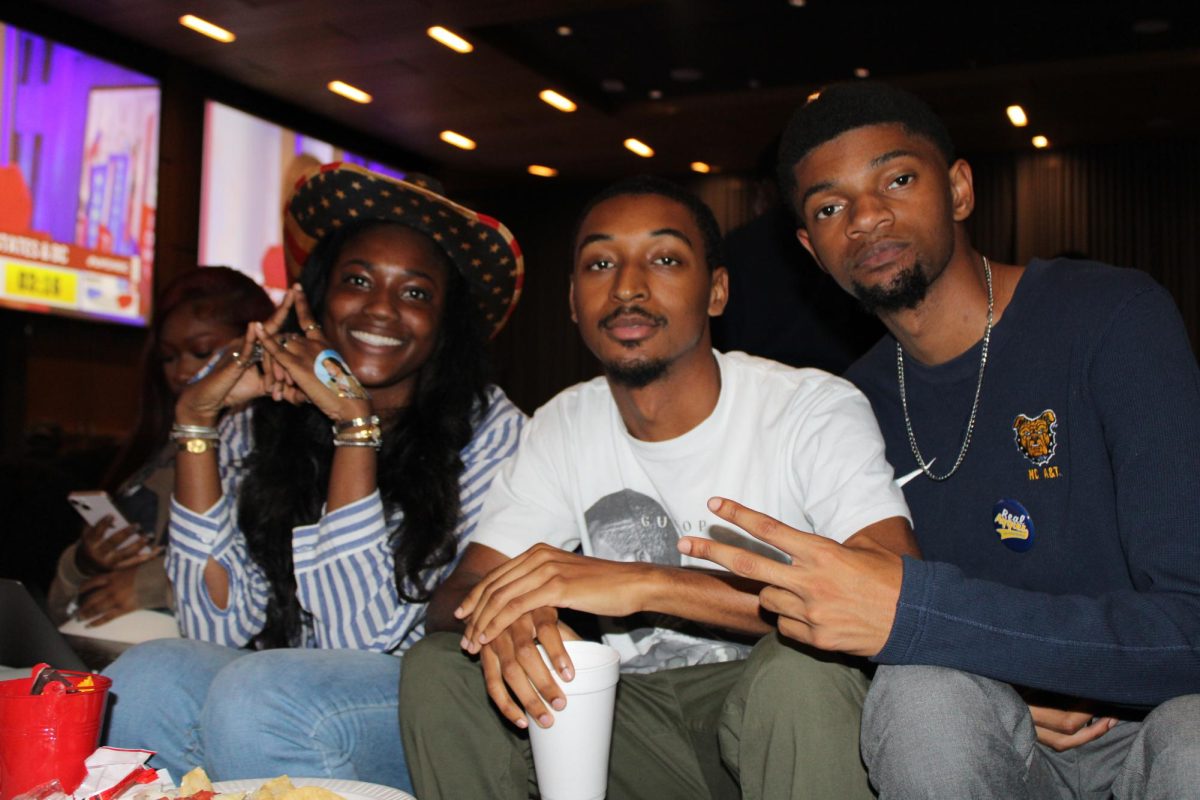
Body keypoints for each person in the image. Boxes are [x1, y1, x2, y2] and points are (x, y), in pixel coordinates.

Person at [681, 82, 1200, 798]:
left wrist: (1027, 657)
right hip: (1000, 737)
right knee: (921, 694)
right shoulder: (845, 405)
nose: (865, 218)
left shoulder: (1111, 318)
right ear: (811, 248)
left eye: (896, 179)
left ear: (958, 189)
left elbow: (1192, 622)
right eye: (830, 207)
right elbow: (861, 619)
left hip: (1155, 723)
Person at [399, 176, 916, 799]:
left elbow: (897, 591)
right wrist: (511, 616)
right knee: (442, 666)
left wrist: (650, 582)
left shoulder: (810, 408)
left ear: (717, 291)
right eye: (600, 263)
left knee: (801, 669)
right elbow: (456, 594)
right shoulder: (563, 423)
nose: (627, 287)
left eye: (665, 259)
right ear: (571, 300)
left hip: (781, 714)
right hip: (634, 729)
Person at [102, 163, 526, 792]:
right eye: (357, 281)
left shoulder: (493, 430)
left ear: (444, 325)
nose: (380, 309)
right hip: (286, 687)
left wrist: (353, 428)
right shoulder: (267, 423)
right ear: (316, 298)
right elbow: (214, 628)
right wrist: (199, 421)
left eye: (414, 293)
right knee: (147, 675)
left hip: (427, 701)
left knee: (262, 692)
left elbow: (357, 643)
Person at [48, 267, 274, 627]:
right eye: (168, 357)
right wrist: (84, 562)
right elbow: (61, 608)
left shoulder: (275, 446)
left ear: (258, 344)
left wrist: (154, 584)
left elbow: (276, 576)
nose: (182, 371)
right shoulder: (156, 451)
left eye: (201, 352)